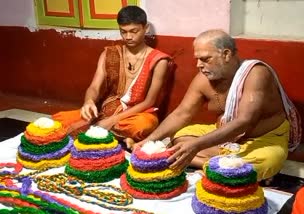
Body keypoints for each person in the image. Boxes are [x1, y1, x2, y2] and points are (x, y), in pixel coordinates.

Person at [136, 29, 302, 181]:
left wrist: (197, 145)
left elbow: (244, 121)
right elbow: (182, 114)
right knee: (180, 136)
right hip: (223, 135)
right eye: (197, 59)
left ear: (226, 54)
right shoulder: (203, 79)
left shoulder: (256, 73)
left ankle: (214, 163)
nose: (199, 65)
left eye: (205, 59)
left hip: (263, 139)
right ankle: (221, 167)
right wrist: (148, 141)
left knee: (269, 160)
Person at [52, 6, 171, 144]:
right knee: (59, 120)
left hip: (138, 113)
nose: (128, 37)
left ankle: (101, 130)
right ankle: (117, 135)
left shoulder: (159, 60)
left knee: (143, 125)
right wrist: (88, 101)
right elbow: (94, 87)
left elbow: (149, 102)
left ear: (146, 28)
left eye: (134, 31)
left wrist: (111, 121)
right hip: (107, 109)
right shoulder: (109, 54)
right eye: (123, 32)